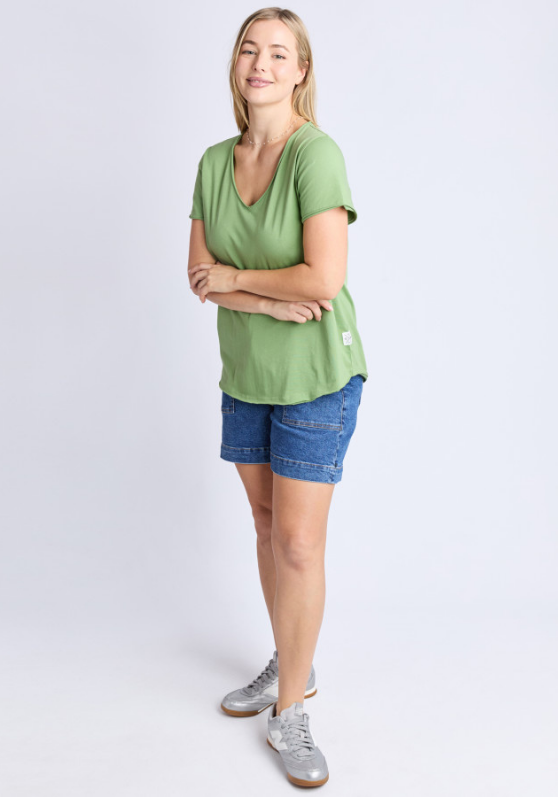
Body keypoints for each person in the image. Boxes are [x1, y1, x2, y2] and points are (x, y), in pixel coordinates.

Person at [187, 7, 368, 788]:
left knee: (296, 542)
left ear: (301, 71)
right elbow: (199, 278)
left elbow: (323, 279)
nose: (260, 63)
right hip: (248, 375)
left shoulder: (314, 155)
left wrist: (235, 278)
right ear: (236, 64)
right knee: (265, 525)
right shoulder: (212, 162)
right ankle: (293, 659)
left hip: (318, 375)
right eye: (248, 50)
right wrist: (260, 297)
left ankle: (290, 707)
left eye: (278, 53)